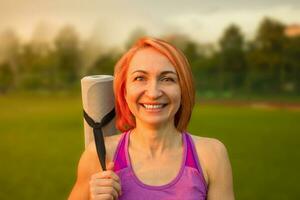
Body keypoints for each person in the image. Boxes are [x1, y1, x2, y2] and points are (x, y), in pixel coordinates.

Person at [68, 37, 234, 200]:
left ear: (183, 90)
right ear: (124, 92)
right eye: (140, 78)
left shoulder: (211, 155)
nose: (153, 93)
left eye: (167, 79)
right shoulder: (99, 155)